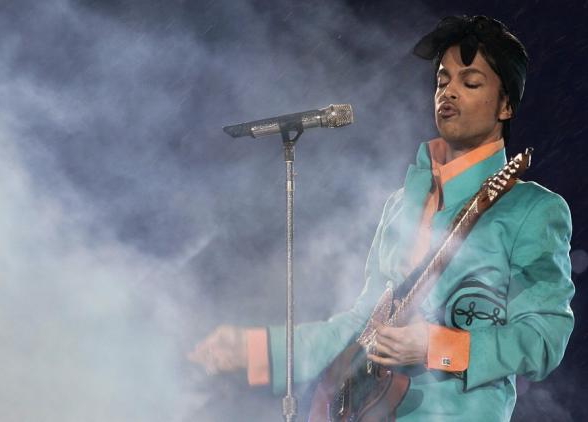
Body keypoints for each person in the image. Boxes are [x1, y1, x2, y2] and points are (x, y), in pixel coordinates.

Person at [188, 15, 574, 421]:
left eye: (471, 83)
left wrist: (438, 347)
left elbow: (544, 338)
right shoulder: (401, 205)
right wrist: (256, 350)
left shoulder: (532, 210)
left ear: (506, 105)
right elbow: (361, 325)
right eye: (442, 81)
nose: (449, 92)